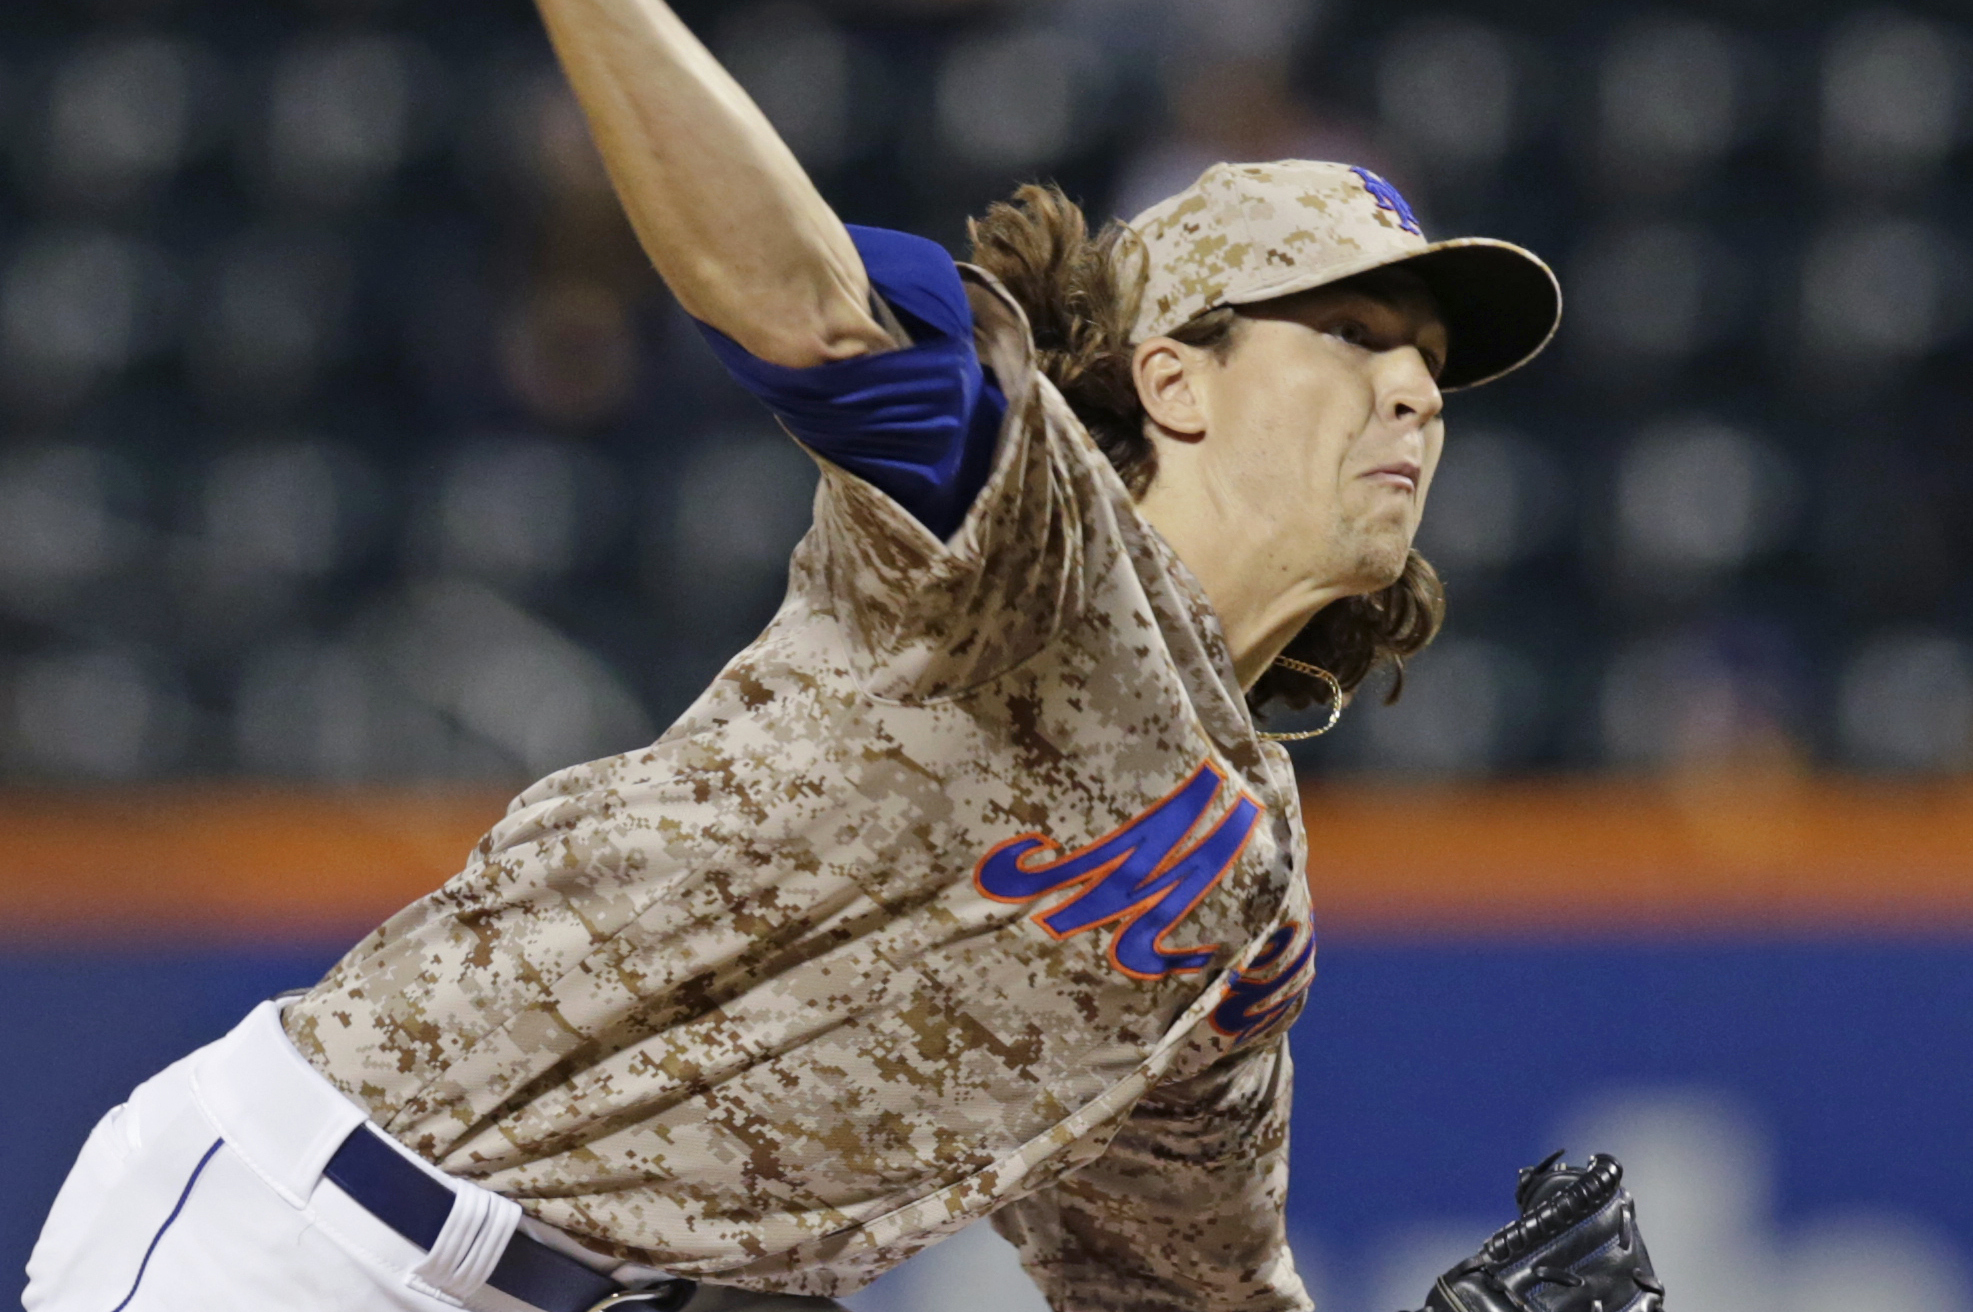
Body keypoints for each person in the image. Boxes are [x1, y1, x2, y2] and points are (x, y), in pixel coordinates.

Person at [22, 2, 1560, 1311]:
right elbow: (809, 311)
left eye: (1427, 364)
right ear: (1174, 380)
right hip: (325, 1240)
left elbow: (1185, 1287)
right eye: (1349, 334)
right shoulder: (1027, 534)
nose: (1412, 393)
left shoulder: (1251, 891)